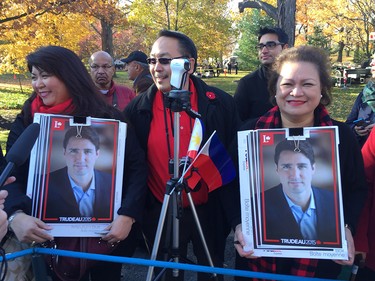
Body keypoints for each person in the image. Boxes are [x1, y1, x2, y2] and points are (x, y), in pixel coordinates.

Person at [4, 45, 147, 281]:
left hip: (108, 240)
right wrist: (15, 215)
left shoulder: (108, 118)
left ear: (69, 76)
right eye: (34, 77)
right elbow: (10, 173)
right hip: (46, 242)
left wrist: (128, 215)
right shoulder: (28, 120)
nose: (38, 84)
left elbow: (137, 168)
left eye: (45, 75)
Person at [232, 46, 367, 280]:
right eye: (287, 84)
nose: (296, 92)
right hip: (256, 259)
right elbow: (231, 186)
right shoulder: (250, 132)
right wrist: (238, 225)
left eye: (307, 84)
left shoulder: (342, 136)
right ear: (275, 89)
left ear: (322, 90)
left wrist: (346, 228)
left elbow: (356, 188)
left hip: (320, 262)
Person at [124, 29, 240, 280]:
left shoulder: (219, 103)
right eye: (152, 60)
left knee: (211, 270)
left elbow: (233, 159)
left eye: (164, 60)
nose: (156, 68)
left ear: (189, 64)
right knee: (165, 273)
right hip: (160, 209)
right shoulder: (137, 107)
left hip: (209, 209)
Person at [264, 139, 336, 242]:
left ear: (313, 168)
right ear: (277, 170)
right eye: (286, 167)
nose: (295, 175)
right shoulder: (259, 204)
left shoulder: (334, 201)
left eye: (302, 166)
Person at [45, 127, 112, 218]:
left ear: (97, 154)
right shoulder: (44, 184)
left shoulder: (113, 183)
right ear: (64, 152)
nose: (80, 159)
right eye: (73, 151)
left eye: (87, 151)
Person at [234, 26, 289, 122]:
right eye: (260, 46)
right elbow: (237, 122)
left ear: (285, 48)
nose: (264, 51)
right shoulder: (247, 84)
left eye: (271, 45)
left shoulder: (298, 80)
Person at [345, 54, 375, 147]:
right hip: (363, 155)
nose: (372, 63)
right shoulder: (366, 93)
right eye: (373, 59)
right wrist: (356, 130)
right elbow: (349, 123)